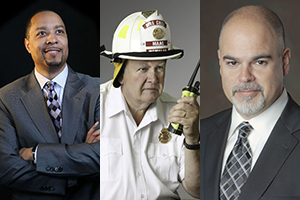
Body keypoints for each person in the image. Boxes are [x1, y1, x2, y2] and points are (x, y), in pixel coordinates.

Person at [200, 5, 300, 200]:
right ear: (220, 62)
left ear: (285, 61)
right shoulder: (202, 134)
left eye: (259, 62)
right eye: (233, 63)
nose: (244, 77)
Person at [100, 10, 200, 199]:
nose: (153, 78)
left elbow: (197, 190)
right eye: (143, 68)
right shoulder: (95, 106)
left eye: (159, 67)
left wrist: (193, 139)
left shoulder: (177, 113)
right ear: (120, 73)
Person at [0, 10, 100, 199]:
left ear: (67, 40)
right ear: (27, 45)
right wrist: (73, 178)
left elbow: (105, 156)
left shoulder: (97, 90)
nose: (52, 39)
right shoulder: (6, 98)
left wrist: (37, 154)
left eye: (59, 32)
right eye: (42, 33)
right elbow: (5, 168)